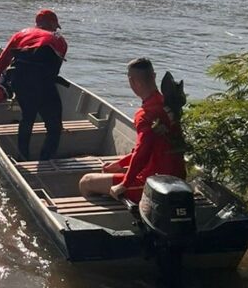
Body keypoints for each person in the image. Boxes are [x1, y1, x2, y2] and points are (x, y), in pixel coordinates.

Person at [78, 58, 186, 202]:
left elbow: (142, 151)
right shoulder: (167, 104)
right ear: (154, 76)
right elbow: (149, 147)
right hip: (177, 178)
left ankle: (116, 211)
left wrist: (124, 185)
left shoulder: (145, 114)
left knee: (86, 182)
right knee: (114, 171)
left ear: (132, 81)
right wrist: (119, 164)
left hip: (155, 185)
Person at [0, 9, 68, 161]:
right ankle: (46, 159)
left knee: (28, 118)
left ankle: (22, 157)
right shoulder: (60, 40)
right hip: (43, 82)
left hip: (20, 81)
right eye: (55, 26)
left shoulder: (20, 35)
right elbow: (54, 70)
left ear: (37, 23)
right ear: (52, 24)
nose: (56, 30)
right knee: (54, 126)